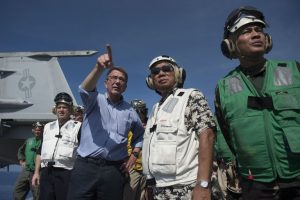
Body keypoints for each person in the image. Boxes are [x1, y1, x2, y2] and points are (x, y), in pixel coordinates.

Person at [215, 6, 300, 200]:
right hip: (254, 182)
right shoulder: (224, 87)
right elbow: (224, 132)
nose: (256, 35)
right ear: (231, 44)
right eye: (246, 31)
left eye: (259, 30)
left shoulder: (294, 70)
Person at [67, 52, 144, 200]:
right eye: (113, 78)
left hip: (113, 171)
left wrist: (134, 156)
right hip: (85, 168)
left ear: (125, 87)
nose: (117, 81)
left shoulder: (131, 112)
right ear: (105, 83)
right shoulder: (94, 100)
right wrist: (99, 67)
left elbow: (140, 135)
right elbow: (84, 88)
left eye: (121, 79)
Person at [142, 55, 216, 200]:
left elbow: (207, 136)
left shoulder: (192, 96)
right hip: (157, 188)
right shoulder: (155, 108)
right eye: (155, 71)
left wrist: (203, 184)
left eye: (166, 69)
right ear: (151, 80)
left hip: (185, 188)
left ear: (177, 73)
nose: (161, 73)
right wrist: (149, 185)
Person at [31, 92, 81, 200]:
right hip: (46, 173)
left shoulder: (77, 127)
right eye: (59, 107)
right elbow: (40, 152)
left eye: (65, 107)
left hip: (66, 173)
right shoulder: (48, 127)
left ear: (70, 110)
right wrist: (36, 173)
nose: (61, 110)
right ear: (55, 109)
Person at [123, 99, 148, 200]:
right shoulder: (129, 126)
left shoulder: (151, 123)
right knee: (129, 195)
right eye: (142, 111)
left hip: (146, 169)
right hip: (133, 168)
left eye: (145, 110)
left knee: (142, 196)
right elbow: (126, 146)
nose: (144, 113)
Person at [13, 122, 43, 200]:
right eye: (36, 130)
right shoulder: (29, 141)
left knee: (37, 194)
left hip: (37, 172)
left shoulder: (44, 142)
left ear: (42, 131)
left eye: (39, 130)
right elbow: (21, 150)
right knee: (17, 190)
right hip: (26, 170)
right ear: (33, 130)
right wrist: (21, 160)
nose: (37, 131)